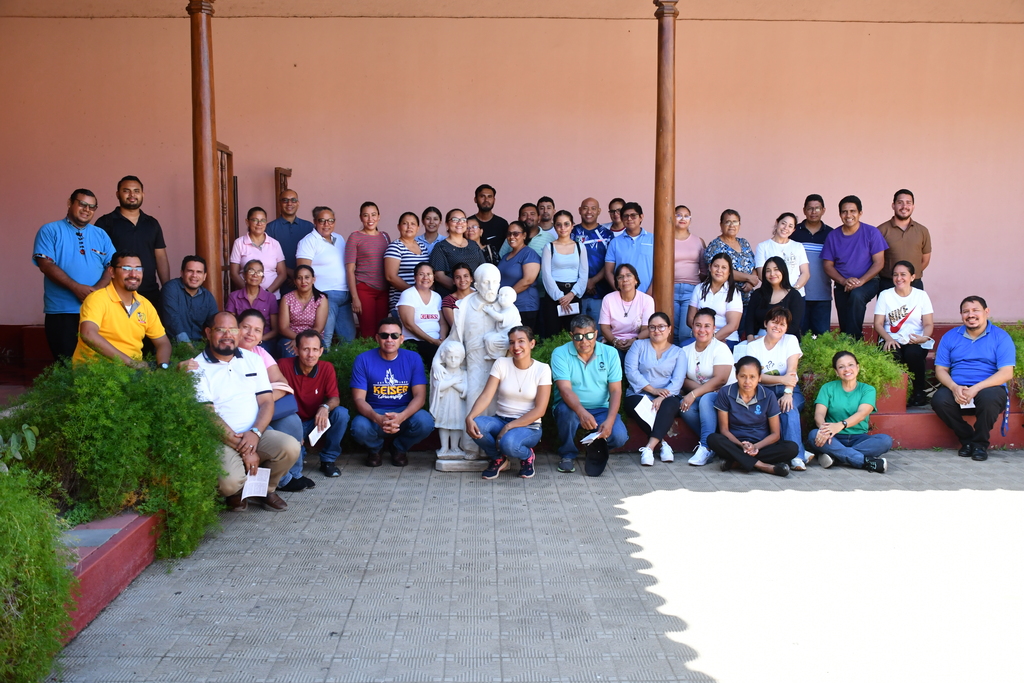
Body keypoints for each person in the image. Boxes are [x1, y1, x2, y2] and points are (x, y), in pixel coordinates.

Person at [191, 312, 301, 512]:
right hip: (221, 438)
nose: (227, 335)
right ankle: (236, 493)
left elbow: (267, 402)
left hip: (255, 433)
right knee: (229, 482)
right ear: (208, 333)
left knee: (290, 447)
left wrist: (256, 433)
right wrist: (245, 449)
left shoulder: (253, 359)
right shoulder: (197, 367)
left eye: (232, 329)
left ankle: (265, 490)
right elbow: (208, 416)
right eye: (220, 330)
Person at [227, 309, 312, 493]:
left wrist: (264, 401)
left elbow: (282, 383)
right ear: (236, 329)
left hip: (264, 407)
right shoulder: (227, 353)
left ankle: (294, 473)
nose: (251, 333)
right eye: (246, 327)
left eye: (257, 330)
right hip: (243, 416)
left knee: (293, 421)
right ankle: (277, 482)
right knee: (269, 433)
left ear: (261, 337)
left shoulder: (260, 354)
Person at [32, 188, 115, 360]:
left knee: (99, 366)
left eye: (92, 207)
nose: (87, 210)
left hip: (97, 311)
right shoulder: (50, 231)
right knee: (67, 365)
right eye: (82, 204)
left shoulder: (100, 234)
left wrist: (95, 291)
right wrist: (76, 288)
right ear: (70, 203)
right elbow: (45, 265)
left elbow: (112, 266)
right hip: (62, 312)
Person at [932, 296, 1015, 462]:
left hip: (988, 386)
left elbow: (1006, 373)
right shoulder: (950, 337)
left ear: (986, 312)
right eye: (966, 311)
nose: (971, 315)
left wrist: (977, 388)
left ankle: (979, 444)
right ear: (961, 315)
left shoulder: (1001, 337)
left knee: (989, 397)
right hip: (958, 385)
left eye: (975, 310)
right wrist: (954, 387)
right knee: (939, 400)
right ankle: (968, 439)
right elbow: (940, 370)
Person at [466, 326, 552, 480]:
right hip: (501, 419)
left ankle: (527, 456)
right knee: (477, 425)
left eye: (521, 341)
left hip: (529, 426)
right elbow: (486, 395)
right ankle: (498, 458)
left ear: (532, 344)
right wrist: (470, 417)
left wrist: (509, 427)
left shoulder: (542, 369)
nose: (516, 347)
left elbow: (540, 410)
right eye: (512, 343)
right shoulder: (502, 363)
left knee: (509, 443)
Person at [550, 315, 629, 476]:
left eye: (589, 335)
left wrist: (610, 420)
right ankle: (567, 454)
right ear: (572, 336)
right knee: (567, 413)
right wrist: (581, 412)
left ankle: (593, 447)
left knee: (620, 437)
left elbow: (615, 390)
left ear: (596, 333)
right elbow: (565, 390)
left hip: (601, 409)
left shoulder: (610, 353)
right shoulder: (560, 353)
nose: (584, 341)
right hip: (571, 407)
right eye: (578, 336)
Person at [350, 317, 435, 467]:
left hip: (404, 412)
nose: (389, 339)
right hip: (375, 412)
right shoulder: (363, 359)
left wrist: (401, 417)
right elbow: (359, 399)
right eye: (384, 335)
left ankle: (399, 448)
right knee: (358, 427)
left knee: (425, 422)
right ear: (377, 338)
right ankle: (375, 449)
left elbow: (420, 396)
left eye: (394, 335)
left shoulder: (413, 358)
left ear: (402, 339)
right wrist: (377, 418)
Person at [72, 251, 171, 367]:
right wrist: (131, 363)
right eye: (126, 268)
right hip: (97, 372)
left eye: (138, 269)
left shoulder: (145, 304)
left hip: (131, 373)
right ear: (112, 272)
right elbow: (88, 333)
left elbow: (163, 342)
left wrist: (162, 366)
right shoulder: (97, 299)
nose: (134, 274)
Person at [278, 329, 352, 479]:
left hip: (315, 422)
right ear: (296, 350)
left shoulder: (326, 368)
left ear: (321, 351)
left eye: (315, 350)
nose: (310, 354)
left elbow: (334, 398)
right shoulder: (283, 365)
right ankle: (300, 453)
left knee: (341, 414)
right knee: (294, 464)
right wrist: (294, 429)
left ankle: (328, 460)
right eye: (305, 349)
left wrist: (325, 407)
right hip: (292, 425)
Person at [709, 356, 798, 477]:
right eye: (742, 376)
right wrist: (742, 445)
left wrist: (755, 446)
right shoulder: (726, 392)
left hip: (761, 446)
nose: (747, 382)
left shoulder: (768, 395)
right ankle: (764, 466)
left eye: (752, 377)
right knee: (713, 439)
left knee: (792, 448)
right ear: (736, 376)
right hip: (735, 444)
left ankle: (736, 462)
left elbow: (775, 434)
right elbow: (724, 430)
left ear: (759, 378)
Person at [806, 350, 893, 473]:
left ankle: (836, 457)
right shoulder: (828, 388)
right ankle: (866, 462)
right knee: (814, 434)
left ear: (857, 367)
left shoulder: (868, 390)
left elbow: (862, 414)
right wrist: (824, 430)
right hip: (833, 437)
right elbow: (819, 414)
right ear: (836, 372)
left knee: (885, 441)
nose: (847, 369)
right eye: (841, 367)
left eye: (850, 365)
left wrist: (840, 425)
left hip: (859, 437)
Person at [94, 176, 170, 311]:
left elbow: (161, 257)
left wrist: (167, 288)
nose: (132, 195)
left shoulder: (152, 223)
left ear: (142, 194)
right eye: (126, 191)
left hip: (149, 292)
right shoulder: (105, 222)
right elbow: (96, 259)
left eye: (136, 191)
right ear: (117, 194)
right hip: (115, 293)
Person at [745, 307, 807, 470]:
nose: (778, 327)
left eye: (782, 324)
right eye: (774, 322)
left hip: (790, 390)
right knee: (777, 411)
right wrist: (782, 378)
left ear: (786, 328)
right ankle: (799, 453)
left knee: (789, 407)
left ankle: (797, 458)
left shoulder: (790, 340)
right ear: (766, 323)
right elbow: (755, 376)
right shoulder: (754, 346)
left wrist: (787, 393)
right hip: (765, 392)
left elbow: (792, 371)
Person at [821, 195, 888, 340]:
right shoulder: (833, 236)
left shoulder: (872, 233)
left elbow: (879, 262)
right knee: (845, 321)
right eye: (844, 212)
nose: (848, 215)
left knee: (857, 295)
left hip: (869, 282)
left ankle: (856, 340)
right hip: (842, 284)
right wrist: (844, 281)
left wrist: (861, 281)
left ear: (860, 213)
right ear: (840, 214)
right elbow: (827, 265)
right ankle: (847, 343)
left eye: (853, 211)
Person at [624, 312, 685, 466]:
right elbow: (631, 372)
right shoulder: (638, 345)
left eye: (661, 327)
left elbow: (677, 381)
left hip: (667, 396)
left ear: (670, 329)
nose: (657, 331)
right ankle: (663, 444)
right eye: (652, 327)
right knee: (638, 404)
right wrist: (652, 390)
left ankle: (649, 448)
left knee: (671, 405)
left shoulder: (678, 352)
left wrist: (661, 397)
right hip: (639, 393)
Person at [872, 261, 934, 406]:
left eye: (903, 274)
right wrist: (887, 339)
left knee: (913, 354)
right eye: (895, 275)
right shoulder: (885, 295)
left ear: (912, 277)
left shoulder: (921, 295)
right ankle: (896, 395)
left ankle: (918, 391)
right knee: (894, 354)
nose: (899, 278)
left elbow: (928, 323)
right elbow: (878, 324)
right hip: (891, 339)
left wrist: (923, 338)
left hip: (915, 339)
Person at [679, 307, 736, 466]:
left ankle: (705, 445)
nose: (702, 330)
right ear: (692, 326)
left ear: (714, 328)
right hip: (704, 394)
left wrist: (695, 393)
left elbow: (721, 380)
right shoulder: (685, 351)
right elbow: (681, 379)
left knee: (705, 399)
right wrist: (696, 392)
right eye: (698, 325)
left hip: (727, 396)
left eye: (707, 326)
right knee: (685, 407)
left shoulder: (720, 348)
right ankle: (715, 444)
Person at [296, 206, 355, 346]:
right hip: (325, 296)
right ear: (315, 222)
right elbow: (303, 271)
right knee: (325, 338)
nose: (326, 224)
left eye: (330, 220)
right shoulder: (308, 241)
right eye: (322, 221)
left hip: (345, 296)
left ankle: (342, 368)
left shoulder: (339, 238)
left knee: (348, 338)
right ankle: (323, 366)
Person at [345, 201, 391, 339]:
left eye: (373, 215)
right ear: (361, 217)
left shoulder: (385, 236)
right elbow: (349, 270)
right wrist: (355, 298)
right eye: (366, 215)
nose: (370, 219)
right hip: (364, 289)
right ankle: (367, 360)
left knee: (382, 330)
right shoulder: (355, 237)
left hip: (384, 291)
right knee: (368, 331)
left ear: (379, 216)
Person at [791, 194, 834, 335]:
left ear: (823, 210)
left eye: (817, 208)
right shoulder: (793, 232)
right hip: (797, 294)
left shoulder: (831, 234)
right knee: (798, 336)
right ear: (804, 210)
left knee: (821, 339)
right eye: (810, 208)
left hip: (822, 296)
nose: (813, 212)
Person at [540, 210, 588, 334]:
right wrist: (559, 296)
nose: (563, 228)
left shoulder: (580, 247)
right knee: (552, 333)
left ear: (572, 226)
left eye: (566, 224)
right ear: (554, 226)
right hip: (553, 295)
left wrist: (572, 294)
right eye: (559, 224)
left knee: (574, 333)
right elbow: (546, 275)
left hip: (574, 294)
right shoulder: (548, 247)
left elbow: (584, 274)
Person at [877, 189, 932, 291]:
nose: (904, 207)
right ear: (893, 205)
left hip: (914, 284)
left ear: (913, 206)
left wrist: (908, 277)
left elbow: (925, 260)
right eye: (900, 202)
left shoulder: (922, 231)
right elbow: (876, 260)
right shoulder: (880, 230)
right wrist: (898, 277)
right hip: (887, 284)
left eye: (908, 203)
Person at [571, 197, 614, 323]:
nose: (589, 211)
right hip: (576, 291)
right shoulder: (572, 233)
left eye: (593, 208)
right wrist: (584, 282)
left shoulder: (607, 235)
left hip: (601, 292)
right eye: (585, 208)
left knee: (599, 331)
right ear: (579, 210)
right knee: (577, 329)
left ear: (599, 211)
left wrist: (593, 281)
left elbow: (610, 262)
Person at [600, 263, 655, 360]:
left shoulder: (647, 300)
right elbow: (604, 328)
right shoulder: (608, 299)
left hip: (638, 341)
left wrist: (634, 341)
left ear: (636, 280)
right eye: (620, 277)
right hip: (613, 342)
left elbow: (646, 329)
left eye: (629, 275)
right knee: (615, 357)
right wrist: (615, 341)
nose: (625, 280)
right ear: (617, 283)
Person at [398, 262, 448, 368]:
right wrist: (432, 341)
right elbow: (409, 324)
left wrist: (442, 339)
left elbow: (443, 323)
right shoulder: (408, 294)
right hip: (416, 341)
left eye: (429, 274)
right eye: (421, 274)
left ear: (433, 277)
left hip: (436, 341)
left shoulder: (437, 296)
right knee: (435, 355)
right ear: (415, 277)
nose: (426, 277)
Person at [687, 253, 742, 348]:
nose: (719, 270)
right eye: (716, 266)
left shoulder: (734, 293)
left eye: (724, 267)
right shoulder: (699, 289)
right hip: (701, 336)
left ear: (729, 271)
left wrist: (712, 339)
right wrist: (704, 336)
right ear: (710, 267)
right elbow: (690, 319)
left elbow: (733, 325)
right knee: (683, 348)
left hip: (726, 338)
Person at [229, 207, 287, 296]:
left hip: (272, 297)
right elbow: (234, 273)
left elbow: (282, 273)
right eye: (255, 220)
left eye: (263, 220)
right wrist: (251, 293)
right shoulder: (239, 243)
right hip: (246, 297)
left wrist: (267, 293)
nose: (259, 224)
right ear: (247, 222)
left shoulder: (274, 244)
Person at [744, 256, 805, 341]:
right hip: (759, 339)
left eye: (776, 269)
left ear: (783, 271)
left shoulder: (794, 295)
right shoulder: (757, 294)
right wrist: (750, 338)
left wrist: (769, 338)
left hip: (786, 339)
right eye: (768, 271)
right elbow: (749, 320)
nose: (772, 274)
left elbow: (794, 325)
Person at [266, 189, 315, 295]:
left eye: (293, 200)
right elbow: (268, 256)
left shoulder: (308, 227)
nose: (289, 203)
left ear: (298, 203)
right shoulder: (270, 228)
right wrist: (290, 273)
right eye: (285, 200)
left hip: (305, 283)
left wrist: (299, 276)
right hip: (280, 283)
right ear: (279, 203)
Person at [704, 209, 758, 305]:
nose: (732, 225)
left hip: (748, 299)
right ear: (721, 225)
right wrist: (749, 278)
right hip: (726, 300)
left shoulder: (744, 242)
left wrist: (751, 282)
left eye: (735, 222)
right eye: (727, 222)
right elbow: (717, 270)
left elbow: (753, 265)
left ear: (739, 225)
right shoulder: (715, 245)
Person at [429, 208, 485, 298]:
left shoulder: (473, 244)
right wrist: (463, 290)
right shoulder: (441, 247)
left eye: (463, 220)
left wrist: (473, 291)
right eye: (455, 220)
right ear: (447, 224)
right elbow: (439, 276)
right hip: (453, 298)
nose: (460, 222)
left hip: (475, 296)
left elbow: (483, 268)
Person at [497, 221, 542, 331]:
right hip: (507, 307)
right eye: (509, 234)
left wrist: (506, 296)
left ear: (524, 235)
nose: (511, 237)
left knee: (522, 341)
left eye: (516, 233)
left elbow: (528, 280)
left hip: (524, 307)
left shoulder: (529, 254)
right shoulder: (505, 256)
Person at [162, 255, 219, 343]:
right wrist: (188, 346)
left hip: (198, 347)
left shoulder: (207, 297)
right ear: (182, 273)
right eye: (190, 271)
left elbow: (215, 323)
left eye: (199, 272)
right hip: (172, 347)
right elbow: (173, 320)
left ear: (204, 276)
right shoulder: (171, 288)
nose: (194, 275)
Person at [672, 205, 706, 345]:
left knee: (686, 332)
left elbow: (704, 270)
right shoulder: (664, 239)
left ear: (690, 220)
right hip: (670, 290)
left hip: (691, 290)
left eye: (686, 216)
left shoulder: (698, 241)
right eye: (679, 215)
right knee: (671, 331)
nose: (683, 218)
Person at [278, 265, 328, 357]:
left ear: (313, 279)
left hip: (314, 338)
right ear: (295, 281)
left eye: (307, 277)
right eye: (299, 278)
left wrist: (303, 341)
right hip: (291, 337)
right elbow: (283, 328)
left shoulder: (321, 299)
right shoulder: (287, 298)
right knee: (291, 352)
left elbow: (318, 327)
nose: (303, 281)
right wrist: (298, 339)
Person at [604, 202, 654, 294]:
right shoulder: (615, 242)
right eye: (625, 216)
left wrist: (648, 295)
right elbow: (608, 272)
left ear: (641, 217)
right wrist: (620, 292)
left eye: (633, 215)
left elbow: (659, 271)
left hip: (649, 296)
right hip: (623, 297)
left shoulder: (653, 240)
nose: (629, 219)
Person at [754, 212, 809, 296]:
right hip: (772, 295)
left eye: (790, 226)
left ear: (793, 230)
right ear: (777, 223)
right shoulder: (763, 246)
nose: (786, 228)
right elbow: (761, 273)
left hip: (796, 295)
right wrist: (779, 292)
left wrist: (794, 290)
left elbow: (805, 273)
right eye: (783, 223)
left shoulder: (798, 246)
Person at [384, 211, 429, 313]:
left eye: (413, 224)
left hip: (422, 301)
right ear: (399, 227)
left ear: (418, 228)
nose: (409, 227)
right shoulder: (395, 247)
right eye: (405, 223)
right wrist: (414, 293)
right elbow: (390, 277)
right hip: (402, 301)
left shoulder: (423, 247)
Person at [225, 259, 279, 343]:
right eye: (251, 271)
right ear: (244, 275)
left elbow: (275, 330)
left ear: (262, 278)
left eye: (259, 272)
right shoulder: (234, 296)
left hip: (263, 341)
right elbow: (230, 325)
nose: (255, 275)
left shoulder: (270, 298)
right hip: (240, 340)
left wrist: (259, 340)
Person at [470, 184, 509, 250]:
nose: (486, 200)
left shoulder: (502, 224)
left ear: (494, 200)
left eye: (489, 197)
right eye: (482, 196)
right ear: (475, 199)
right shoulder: (468, 224)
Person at [441, 263, 474, 330]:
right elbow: (455, 327)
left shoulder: (479, 295)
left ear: (471, 278)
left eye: (466, 276)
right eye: (458, 277)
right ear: (453, 281)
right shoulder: (448, 300)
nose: (462, 280)